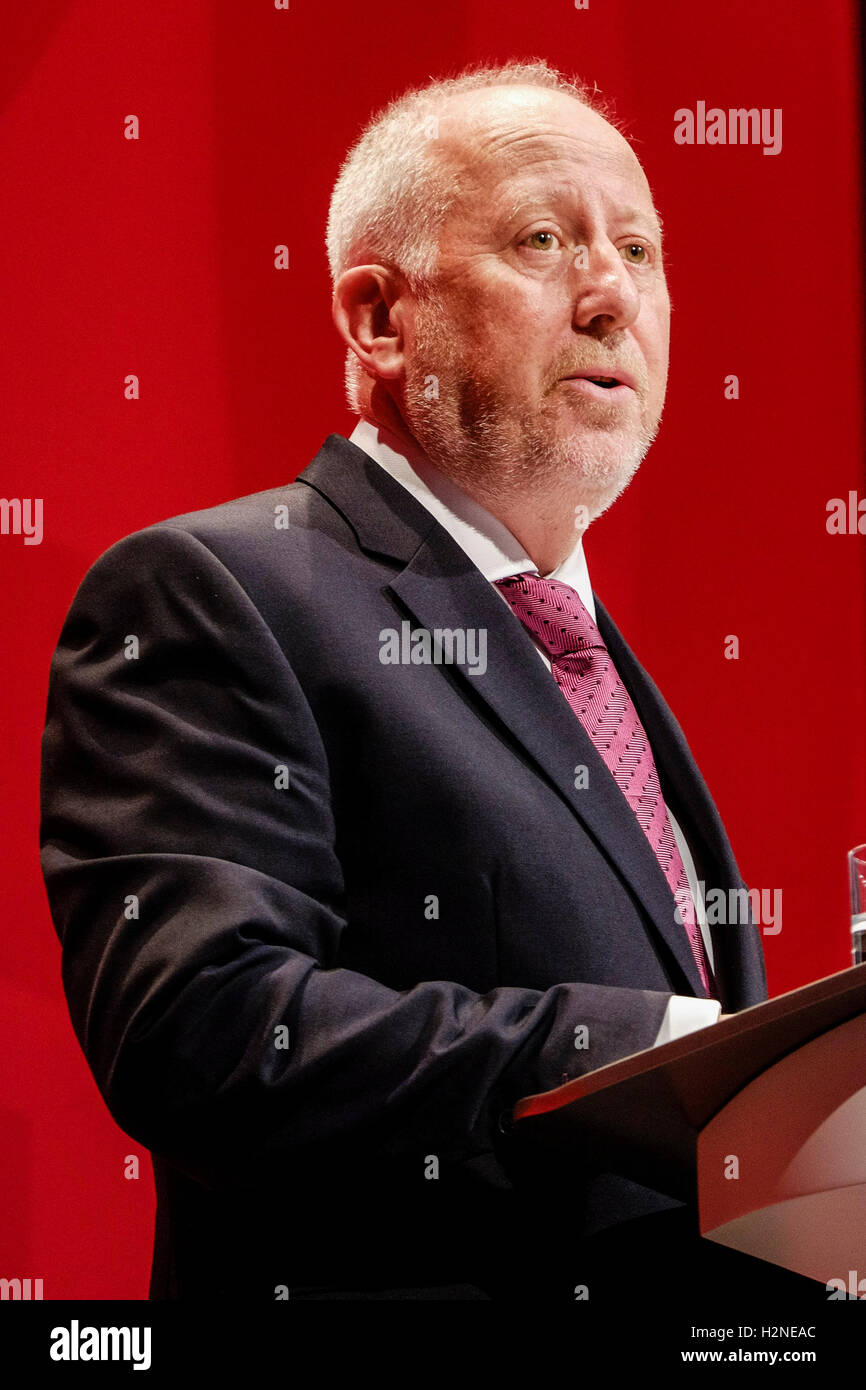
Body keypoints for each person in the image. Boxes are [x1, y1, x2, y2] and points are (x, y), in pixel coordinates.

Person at [40, 59, 801, 1304]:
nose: (612, 294)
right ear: (379, 318)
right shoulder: (215, 590)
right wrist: (646, 1058)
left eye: (642, 249)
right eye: (545, 238)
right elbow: (200, 1029)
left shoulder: (582, 647)